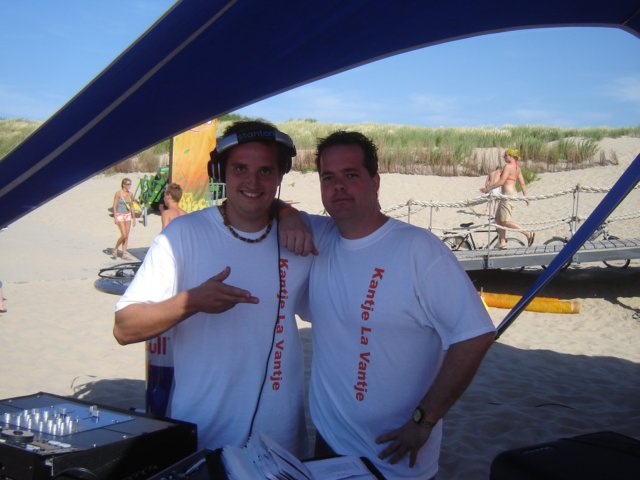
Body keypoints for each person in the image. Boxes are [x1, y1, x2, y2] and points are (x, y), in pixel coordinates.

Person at [301, 131, 496, 479]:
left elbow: (474, 335)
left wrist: (424, 420)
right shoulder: (321, 237)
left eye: (351, 174)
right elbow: (270, 209)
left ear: (375, 182)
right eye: (328, 177)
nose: (338, 186)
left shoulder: (418, 250)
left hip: (396, 458)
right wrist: (287, 217)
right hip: (331, 442)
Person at [113, 121, 313, 456]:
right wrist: (192, 302)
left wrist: (289, 213)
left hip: (282, 444)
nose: (253, 182)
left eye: (266, 171)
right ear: (220, 172)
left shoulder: (303, 235)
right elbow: (124, 327)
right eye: (240, 169)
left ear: (281, 176)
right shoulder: (182, 235)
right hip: (204, 438)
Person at [480, 148, 534, 248]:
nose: (504, 157)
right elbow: (522, 184)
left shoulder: (508, 166)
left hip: (508, 196)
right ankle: (502, 241)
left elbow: (502, 181)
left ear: (511, 156)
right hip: (508, 195)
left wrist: (488, 188)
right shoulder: (517, 168)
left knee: (505, 221)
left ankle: (527, 233)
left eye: (506, 155)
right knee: (498, 219)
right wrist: (525, 197)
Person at [112, 177, 136, 259]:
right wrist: (115, 217)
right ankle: (115, 248)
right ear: (123, 184)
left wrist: (134, 218)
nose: (129, 186)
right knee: (124, 235)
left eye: (130, 184)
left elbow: (132, 206)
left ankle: (124, 254)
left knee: (127, 235)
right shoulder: (118, 193)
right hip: (120, 215)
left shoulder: (130, 194)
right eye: (128, 184)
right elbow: (114, 206)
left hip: (127, 216)